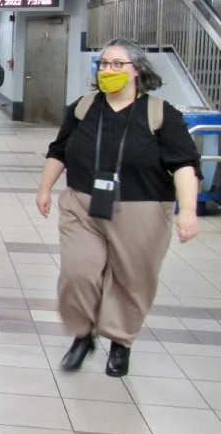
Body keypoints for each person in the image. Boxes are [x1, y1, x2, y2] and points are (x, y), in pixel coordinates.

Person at [35, 38, 201, 377]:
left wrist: (188, 211)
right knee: (77, 272)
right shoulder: (83, 107)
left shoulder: (161, 113)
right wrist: (45, 188)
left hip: (142, 208)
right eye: (103, 64)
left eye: (116, 65)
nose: (107, 71)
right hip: (82, 204)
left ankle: (121, 343)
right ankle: (83, 334)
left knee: (132, 278)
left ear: (136, 70)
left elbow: (185, 164)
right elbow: (59, 150)